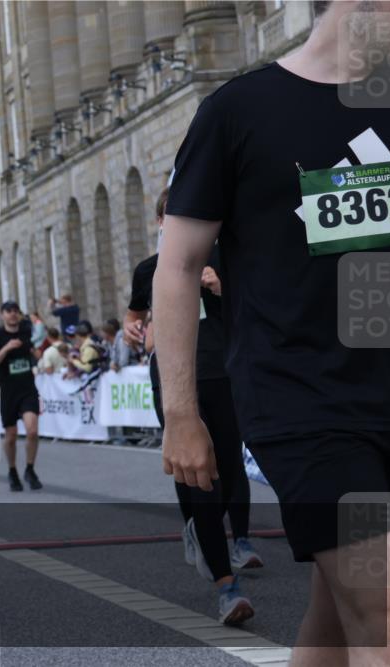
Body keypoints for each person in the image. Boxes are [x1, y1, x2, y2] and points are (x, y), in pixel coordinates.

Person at [155, 0, 390, 658]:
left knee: (336, 612)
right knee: (388, 606)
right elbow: (178, 266)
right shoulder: (239, 111)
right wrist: (181, 412)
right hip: (301, 397)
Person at [127, 188, 260, 626]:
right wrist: (135, 331)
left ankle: (205, 534)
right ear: (161, 221)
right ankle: (227, 587)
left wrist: (220, 289)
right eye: (170, 214)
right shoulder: (150, 269)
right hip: (175, 378)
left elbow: (253, 312)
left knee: (227, 471)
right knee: (200, 476)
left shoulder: (224, 258)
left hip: (225, 372)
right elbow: (134, 319)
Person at [0, 301, 43, 492]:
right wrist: (7, 348)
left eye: (15, 311)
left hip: (27, 388)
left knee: (32, 430)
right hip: (8, 391)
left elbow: (36, 352)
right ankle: (12, 470)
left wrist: (35, 353)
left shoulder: (26, 331)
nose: (12, 314)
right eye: (8, 311)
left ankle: (30, 468)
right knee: (11, 436)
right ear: (2, 315)